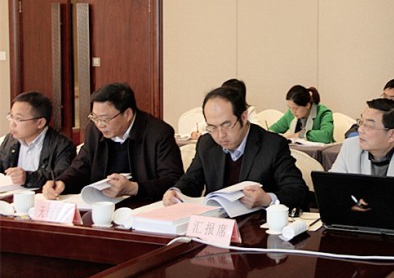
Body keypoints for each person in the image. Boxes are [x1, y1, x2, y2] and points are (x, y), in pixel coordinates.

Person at [163, 86, 308, 210]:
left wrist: (267, 199)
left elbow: (297, 191)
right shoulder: (206, 143)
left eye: (227, 125)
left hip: (257, 224)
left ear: (243, 118)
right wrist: (176, 191)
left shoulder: (272, 145)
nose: (220, 135)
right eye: (212, 127)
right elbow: (192, 180)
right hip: (218, 223)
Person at [43, 82, 184, 200]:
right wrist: (62, 182)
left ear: (128, 114)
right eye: (95, 117)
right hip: (101, 203)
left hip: (144, 206)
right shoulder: (94, 130)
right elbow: (81, 166)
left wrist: (134, 188)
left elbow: (172, 179)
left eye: (105, 119)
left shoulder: (158, 133)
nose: (100, 125)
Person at [331, 98, 394, 216]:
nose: (360, 130)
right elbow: (331, 188)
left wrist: (366, 203)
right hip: (357, 219)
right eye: (360, 122)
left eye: (368, 126)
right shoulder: (350, 146)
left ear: (392, 134)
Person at [0, 92, 76, 189]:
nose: (12, 124)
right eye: (11, 117)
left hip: (43, 196)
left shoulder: (63, 145)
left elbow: (63, 178)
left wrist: (28, 178)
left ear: (40, 123)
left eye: (19, 119)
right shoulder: (10, 140)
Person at [190, 78, 260, 139]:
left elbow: (256, 129)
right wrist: (195, 133)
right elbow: (200, 127)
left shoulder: (249, 110)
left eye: (227, 125)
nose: (221, 135)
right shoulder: (217, 111)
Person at [268, 85, 334, 144]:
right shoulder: (290, 113)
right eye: (290, 108)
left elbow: (326, 136)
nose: (293, 112)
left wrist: (301, 134)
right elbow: (274, 129)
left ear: (308, 105)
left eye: (296, 108)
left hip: (322, 152)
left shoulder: (323, 113)